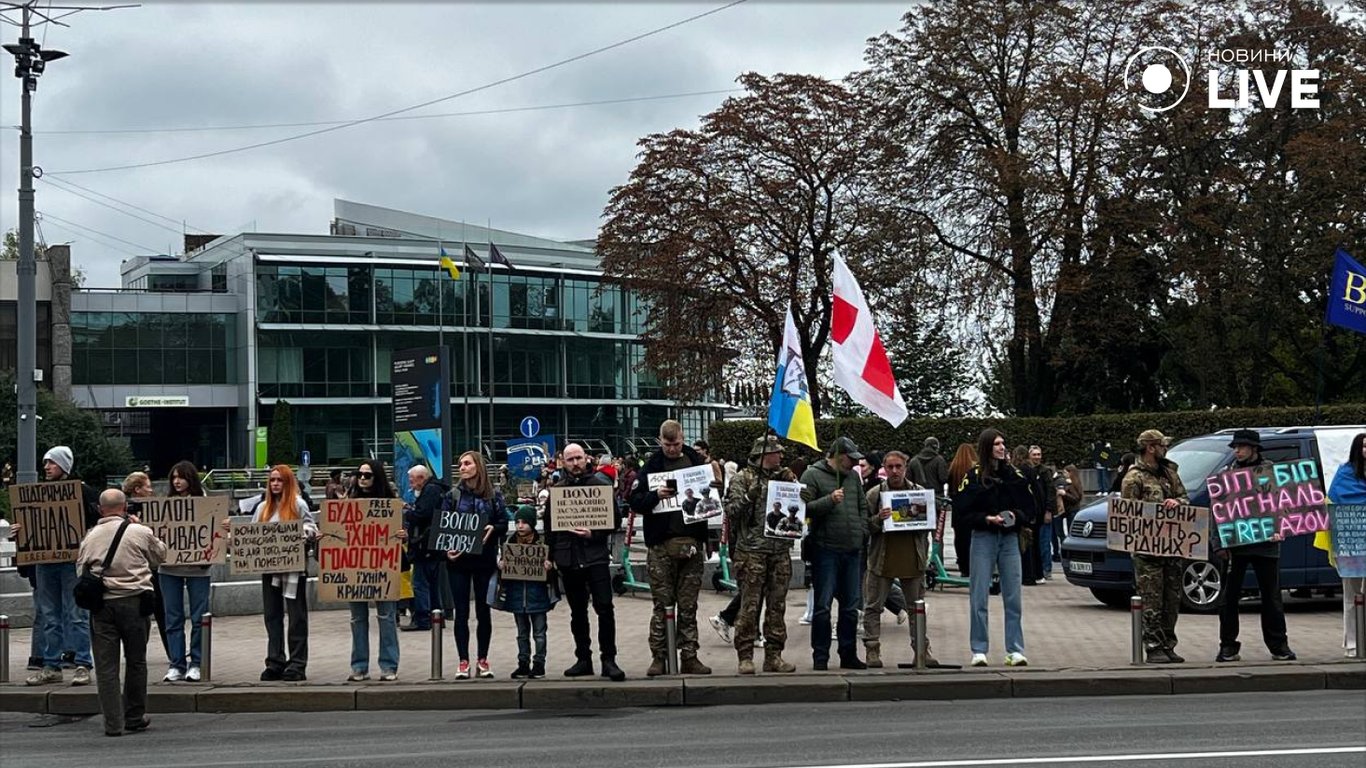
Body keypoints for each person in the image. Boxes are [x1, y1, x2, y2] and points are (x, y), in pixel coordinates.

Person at [75, 488, 167, 737]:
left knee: (106, 667)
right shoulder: (139, 531)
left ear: (100, 509)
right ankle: (134, 716)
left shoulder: (91, 536)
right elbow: (161, 556)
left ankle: (113, 724)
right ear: (125, 507)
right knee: (136, 661)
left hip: (101, 607)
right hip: (135, 603)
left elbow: (80, 570)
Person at [629, 419, 713, 676]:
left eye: (676, 444)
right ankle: (659, 656)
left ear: (682, 438)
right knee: (662, 605)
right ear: (660, 441)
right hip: (662, 546)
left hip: (691, 543)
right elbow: (635, 501)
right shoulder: (652, 466)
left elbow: (709, 502)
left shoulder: (696, 461)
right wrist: (656, 496)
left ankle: (689, 655)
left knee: (688, 605)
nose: (672, 449)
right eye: (667, 445)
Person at [1213, 430, 1296, 663]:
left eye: (1241, 446)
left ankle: (1279, 645)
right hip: (1235, 547)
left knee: (1271, 598)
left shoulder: (1271, 473)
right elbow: (1217, 513)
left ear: (1254, 448)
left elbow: (1284, 504)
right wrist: (1218, 543)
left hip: (1266, 545)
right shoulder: (1225, 476)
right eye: (1235, 447)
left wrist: (1283, 527)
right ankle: (1228, 646)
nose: (1236, 450)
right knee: (1229, 598)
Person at [545, 442, 625, 681]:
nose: (575, 463)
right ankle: (583, 659)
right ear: (563, 462)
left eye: (578, 458)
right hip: (568, 559)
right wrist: (551, 558)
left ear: (586, 459)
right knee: (577, 612)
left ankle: (609, 659)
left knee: (605, 609)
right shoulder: (557, 491)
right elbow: (550, 529)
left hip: (595, 556)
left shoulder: (601, 486)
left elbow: (615, 521)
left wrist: (595, 534)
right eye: (570, 459)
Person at [955, 428, 1032, 667]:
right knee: (979, 596)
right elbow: (960, 513)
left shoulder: (1015, 475)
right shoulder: (973, 476)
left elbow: (1031, 508)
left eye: (1003, 443)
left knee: (1013, 597)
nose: (1001, 447)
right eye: (997, 444)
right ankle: (979, 649)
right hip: (983, 537)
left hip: (1009, 538)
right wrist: (986, 519)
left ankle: (1015, 650)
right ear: (987, 447)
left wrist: (1014, 516)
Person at [24, 446, 100, 687]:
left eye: (52, 463)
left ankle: (82, 664)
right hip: (45, 563)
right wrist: (20, 530)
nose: (46, 467)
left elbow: (98, 522)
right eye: (46, 463)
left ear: (64, 466)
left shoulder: (83, 492)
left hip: (71, 563)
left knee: (76, 614)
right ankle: (51, 665)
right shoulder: (37, 493)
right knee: (49, 615)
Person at [724, 435, 798, 675]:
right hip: (752, 553)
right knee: (749, 607)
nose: (781, 456)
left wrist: (795, 488)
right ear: (764, 454)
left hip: (779, 551)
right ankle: (745, 656)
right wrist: (749, 497)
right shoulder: (742, 479)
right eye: (777, 452)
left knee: (777, 607)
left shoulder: (784, 477)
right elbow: (732, 512)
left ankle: (774, 655)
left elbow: (798, 508)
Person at [800, 436, 870, 671]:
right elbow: (802, 509)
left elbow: (862, 507)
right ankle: (820, 657)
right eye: (850, 459)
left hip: (852, 550)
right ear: (838, 455)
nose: (854, 463)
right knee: (823, 606)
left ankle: (848, 654)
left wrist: (861, 531)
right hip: (825, 549)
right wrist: (829, 501)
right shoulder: (812, 475)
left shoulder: (852, 478)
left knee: (850, 607)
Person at [863, 450, 937, 668]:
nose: (894, 471)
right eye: (890, 467)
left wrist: (922, 518)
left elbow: (929, 524)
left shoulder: (920, 492)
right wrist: (879, 519)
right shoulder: (875, 494)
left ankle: (922, 651)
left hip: (912, 558)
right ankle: (872, 650)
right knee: (873, 606)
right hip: (881, 559)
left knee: (916, 608)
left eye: (899, 467)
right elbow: (865, 526)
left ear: (906, 467)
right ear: (884, 469)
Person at [1121, 429, 1189, 664]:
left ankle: (1168, 643)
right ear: (1151, 447)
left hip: (1171, 547)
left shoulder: (1169, 473)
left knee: (1172, 598)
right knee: (1151, 600)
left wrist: (1176, 502)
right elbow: (1128, 514)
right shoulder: (1134, 477)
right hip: (1148, 551)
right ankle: (1153, 646)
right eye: (1162, 445)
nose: (1165, 449)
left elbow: (1185, 497)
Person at [247, 464, 317, 681]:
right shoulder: (262, 508)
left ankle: (297, 664)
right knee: (272, 616)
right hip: (269, 569)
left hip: (294, 570)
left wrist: (305, 534)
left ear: (287, 483)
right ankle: (275, 661)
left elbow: (312, 527)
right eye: (272, 480)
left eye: (279, 480)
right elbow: (252, 534)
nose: (275, 484)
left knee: (297, 617)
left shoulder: (298, 504)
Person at [444, 450, 507, 680]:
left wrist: (494, 529)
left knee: (484, 611)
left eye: (467, 463)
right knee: (461, 612)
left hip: (484, 560)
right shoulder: (453, 495)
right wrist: (447, 550)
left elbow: (503, 521)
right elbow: (443, 525)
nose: (462, 467)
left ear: (477, 467)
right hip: (458, 562)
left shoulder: (493, 496)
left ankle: (482, 658)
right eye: (460, 464)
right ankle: (463, 661)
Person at [153, 462, 214, 683]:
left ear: (191, 479)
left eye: (181, 477)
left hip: (198, 569)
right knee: (173, 618)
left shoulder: (206, 504)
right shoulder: (166, 505)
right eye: (173, 478)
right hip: (169, 569)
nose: (176, 482)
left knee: (199, 618)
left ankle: (196, 663)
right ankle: (176, 664)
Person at [345, 459, 405, 681]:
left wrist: (402, 534)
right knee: (357, 618)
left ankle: (389, 666)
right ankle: (359, 666)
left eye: (367, 475)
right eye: (359, 474)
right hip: (354, 567)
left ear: (377, 477)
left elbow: (400, 530)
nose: (362, 478)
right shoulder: (347, 503)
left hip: (383, 567)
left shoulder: (390, 504)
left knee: (386, 616)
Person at [1318, 432, 1366, 657]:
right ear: (1357, 450)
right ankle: (1352, 645)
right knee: (1351, 595)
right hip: (1351, 544)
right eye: (1364, 446)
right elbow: (1333, 502)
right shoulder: (1344, 473)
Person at [498, 505, 556, 679]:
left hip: (537, 596)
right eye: (517, 522)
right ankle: (523, 663)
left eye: (524, 522)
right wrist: (501, 566)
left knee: (539, 633)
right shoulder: (510, 544)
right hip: (517, 597)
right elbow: (504, 571)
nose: (520, 526)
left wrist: (549, 567)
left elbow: (551, 576)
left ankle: (539, 664)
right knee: (522, 634)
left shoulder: (543, 545)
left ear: (532, 523)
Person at [401, 464, 446, 632]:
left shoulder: (430, 491)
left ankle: (423, 618)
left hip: (424, 545)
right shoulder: (435, 490)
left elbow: (423, 515)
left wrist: (408, 512)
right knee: (433, 583)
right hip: (432, 544)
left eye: (412, 481)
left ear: (421, 478)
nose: (411, 484)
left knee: (420, 583)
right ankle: (436, 617)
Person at [947, 443, 978, 577]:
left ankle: (963, 566)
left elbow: (950, 490)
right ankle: (973, 566)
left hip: (957, 510)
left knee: (959, 538)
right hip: (972, 509)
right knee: (972, 539)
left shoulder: (954, 467)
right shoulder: (975, 467)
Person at [1055, 465, 1083, 564]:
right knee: (1061, 532)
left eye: (1066, 472)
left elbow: (1076, 498)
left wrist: (1064, 494)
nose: (1064, 474)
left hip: (1072, 510)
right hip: (1065, 510)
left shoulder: (1074, 484)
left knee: (1071, 532)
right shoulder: (1065, 482)